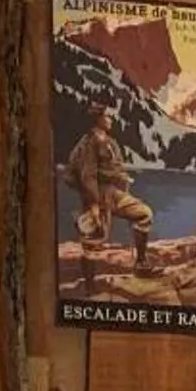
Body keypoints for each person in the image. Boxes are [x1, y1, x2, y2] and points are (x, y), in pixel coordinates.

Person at [65, 104, 154, 271]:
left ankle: (141, 263)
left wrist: (121, 180)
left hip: (114, 193)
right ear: (97, 119)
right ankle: (89, 287)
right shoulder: (89, 143)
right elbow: (87, 175)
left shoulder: (109, 141)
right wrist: (93, 204)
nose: (111, 119)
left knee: (143, 214)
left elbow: (114, 167)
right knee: (95, 237)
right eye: (107, 116)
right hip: (100, 195)